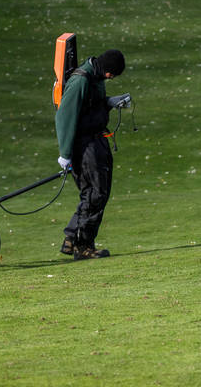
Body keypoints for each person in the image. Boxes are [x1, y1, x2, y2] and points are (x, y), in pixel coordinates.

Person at [55, 48, 130, 260]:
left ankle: (77, 240)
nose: (111, 78)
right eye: (112, 74)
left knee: (97, 193)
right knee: (95, 193)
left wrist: (110, 103)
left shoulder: (95, 77)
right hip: (84, 144)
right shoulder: (81, 81)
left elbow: (91, 106)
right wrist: (65, 153)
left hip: (96, 140)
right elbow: (65, 117)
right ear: (107, 70)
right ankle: (79, 241)